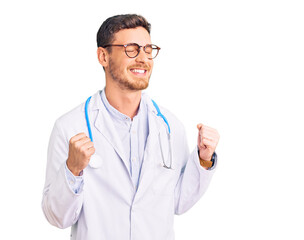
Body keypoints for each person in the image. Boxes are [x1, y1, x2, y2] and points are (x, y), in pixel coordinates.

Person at [42, 14, 219, 240]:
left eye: (147, 49)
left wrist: (203, 160)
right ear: (103, 56)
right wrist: (72, 170)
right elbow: (57, 217)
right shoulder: (70, 127)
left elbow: (178, 202)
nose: (143, 58)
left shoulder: (169, 126)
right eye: (131, 49)